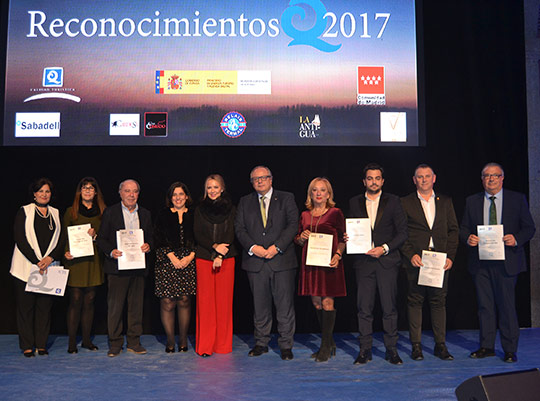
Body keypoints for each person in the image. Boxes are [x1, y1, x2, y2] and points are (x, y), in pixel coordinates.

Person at [460, 162, 535, 363]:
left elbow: (529, 228)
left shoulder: (517, 199)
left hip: (507, 262)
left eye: (495, 175)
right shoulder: (472, 201)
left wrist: (516, 239)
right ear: (482, 179)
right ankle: (487, 346)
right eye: (486, 175)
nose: (491, 179)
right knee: (485, 306)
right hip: (481, 263)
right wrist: (468, 238)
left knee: (507, 306)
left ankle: (510, 349)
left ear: (502, 178)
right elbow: (464, 228)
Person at [235, 166, 299, 361]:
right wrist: (254, 247)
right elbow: (239, 229)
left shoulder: (286, 198)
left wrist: (276, 247)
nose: (260, 181)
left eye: (263, 178)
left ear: (271, 179)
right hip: (256, 261)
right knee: (260, 306)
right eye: (255, 179)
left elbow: (293, 225)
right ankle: (261, 342)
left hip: (281, 261)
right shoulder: (245, 202)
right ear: (252, 182)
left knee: (284, 306)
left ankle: (286, 345)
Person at [348, 163, 408, 365]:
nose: (373, 182)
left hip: (387, 261)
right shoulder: (354, 202)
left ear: (382, 181)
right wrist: (348, 237)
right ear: (364, 181)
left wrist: (384, 248)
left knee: (389, 308)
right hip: (364, 262)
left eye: (377, 178)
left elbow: (402, 233)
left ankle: (392, 350)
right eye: (370, 178)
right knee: (364, 308)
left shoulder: (393, 201)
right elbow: (351, 229)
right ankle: (365, 350)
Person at [400, 164, 459, 361]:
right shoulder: (405, 202)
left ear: (434, 178)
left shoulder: (446, 201)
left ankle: (440, 345)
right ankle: (416, 346)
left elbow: (453, 231)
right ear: (414, 179)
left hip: (440, 260)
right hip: (416, 260)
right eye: (420, 177)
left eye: (427, 176)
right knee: (415, 302)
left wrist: (450, 256)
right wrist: (410, 255)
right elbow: (401, 233)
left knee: (438, 302)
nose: (424, 180)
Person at [97, 179, 153, 357]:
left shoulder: (145, 214)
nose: (131, 195)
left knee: (136, 307)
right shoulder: (110, 212)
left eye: (134, 191)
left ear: (138, 194)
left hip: (137, 267)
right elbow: (101, 239)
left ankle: (134, 342)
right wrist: (111, 252)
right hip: (117, 268)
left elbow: (151, 238)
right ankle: (115, 343)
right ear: (120, 193)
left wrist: (148, 246)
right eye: (127, 191)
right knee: (115, 307)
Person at [10, 178, 64, 357]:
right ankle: (27, 345)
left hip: (49, 267)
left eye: (47, 191)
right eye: (40, 191)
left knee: (44, 308)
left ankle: (41, 344)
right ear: (34, 194)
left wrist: (50, 258)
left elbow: (62, 239)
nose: (44, 194)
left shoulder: (55, 213)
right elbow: (20, 238)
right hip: (25, 267)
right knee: (26, 308)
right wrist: (36, 260)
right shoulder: (24, 211)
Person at [294, 177, 346, 362]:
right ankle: (329, 341)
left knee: (327, 304)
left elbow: (342, 238)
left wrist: (338, 256)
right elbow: (298, 240)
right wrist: (302, 237)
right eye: (315, 190)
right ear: (310, 194)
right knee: (316, 303)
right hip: (311, 263)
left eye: (322, 190)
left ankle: (324, 346)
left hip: (329, 263)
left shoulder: (335, 213)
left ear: (328, 194)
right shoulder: (305, 215)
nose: (318, 193)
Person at [193, 174, 237, 357]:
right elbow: (198, 233)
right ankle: (205, 346)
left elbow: (231, 232)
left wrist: (220, 253)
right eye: (209, 187)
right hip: (204, 259)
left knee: (224, 303)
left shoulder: (232, 209)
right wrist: (213, 248)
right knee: (206, 303)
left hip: (226, 259)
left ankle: (222, 345)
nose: (212, 191)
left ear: (222, 188)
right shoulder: (199, 209)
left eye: (215, 187)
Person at [63, 177, 107, 354]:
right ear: (79, 192)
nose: (88, 191)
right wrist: (65, 252)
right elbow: (63, 237)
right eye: (84, 188)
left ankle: (87, 340)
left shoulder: (103, 212)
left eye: (91, 188)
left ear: (96, 192)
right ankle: (72, 342)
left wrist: (96, 235)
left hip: (94, 260)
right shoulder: (70, 212)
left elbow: (106, 238)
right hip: (76, 261)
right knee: (75, 300)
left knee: (89, 301)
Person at [154, 182, 196, 353]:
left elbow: (201, 237)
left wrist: (190, 256)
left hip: (189, 260)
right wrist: (172, 257)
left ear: (186, 196)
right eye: (174, 195)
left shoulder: (195, 214)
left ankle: (183, 339)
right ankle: (170, 340)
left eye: (181, 194)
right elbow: (157, 238)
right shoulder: (162, 214)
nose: (178, 198)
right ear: (170, 198)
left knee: (184, 300)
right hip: (166, 261)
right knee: (168, 302)